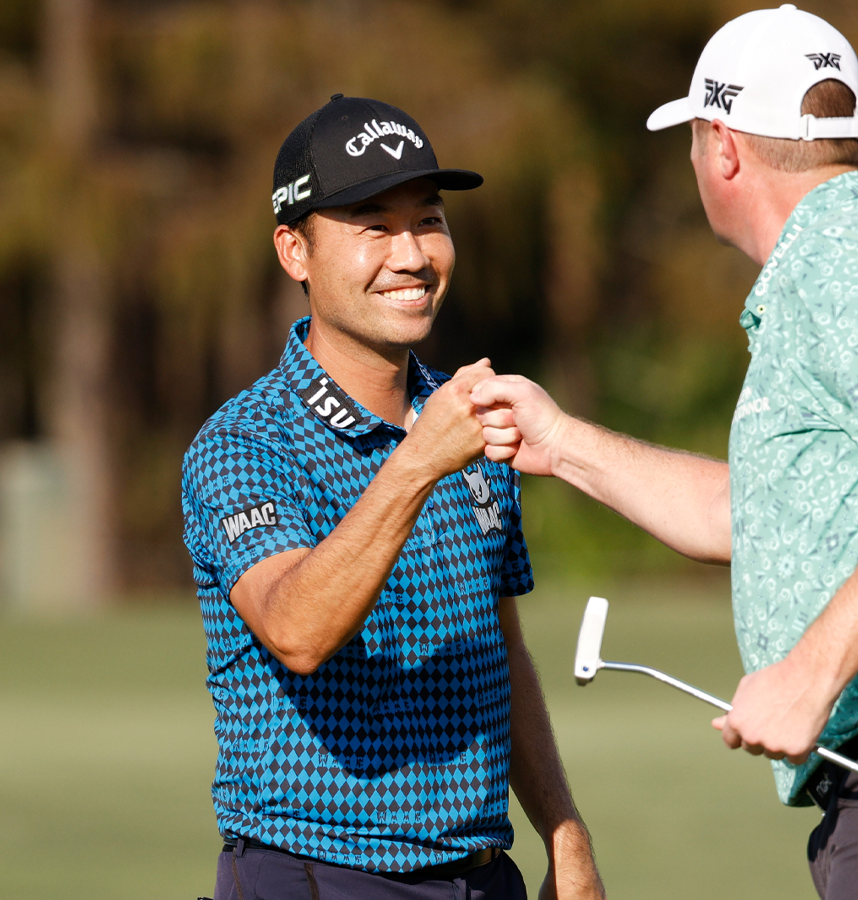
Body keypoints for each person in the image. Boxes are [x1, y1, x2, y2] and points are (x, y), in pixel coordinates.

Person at [471, 6, 858, 899]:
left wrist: (810, 673)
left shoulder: (843, 256)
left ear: (722, 146)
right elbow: (757, 520)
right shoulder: (851, 256)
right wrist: (563, 444)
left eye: (692, 139)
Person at [181, 95, 603, 900]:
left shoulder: (467, 419)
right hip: (316, 873)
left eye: (429, 221)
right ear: (293, 251)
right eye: (374, 226)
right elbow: (299, 630)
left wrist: (564, 830)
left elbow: (499, 654)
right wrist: (417, 463)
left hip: (484, 876)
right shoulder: (243, 443)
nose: (411, 255)